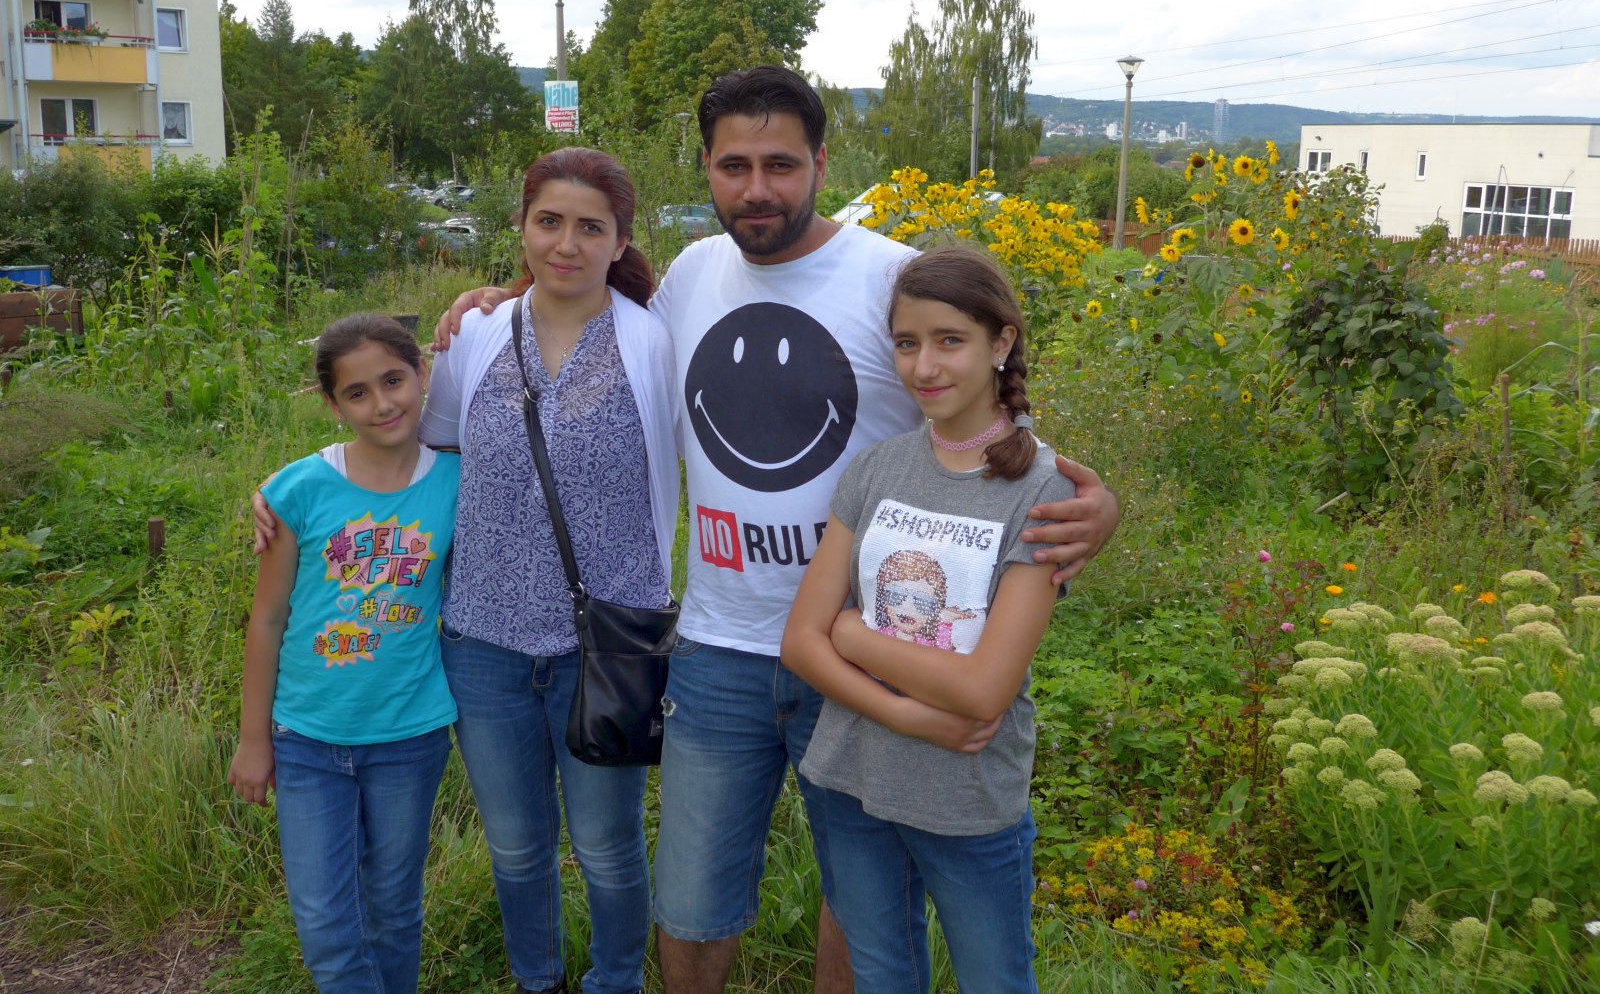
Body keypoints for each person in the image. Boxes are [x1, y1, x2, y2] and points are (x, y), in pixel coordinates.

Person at [434, 65, 1121, 994]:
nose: (757, 189)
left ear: (821, 163)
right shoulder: (688, 279)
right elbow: (582, 301)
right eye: (734, 165)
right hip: (718, 650)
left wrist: (1099, 502)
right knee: (690, 900)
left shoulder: (889, 276)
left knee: (864, 898)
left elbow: (976, 408)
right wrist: (491, 301)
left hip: (868, 648)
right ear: (708, 170)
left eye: (781, 165)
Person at [255, 148, 678, 994]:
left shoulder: (657, 338)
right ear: (520, 228)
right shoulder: (479, 334)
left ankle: (616, 980)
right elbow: (411, 451)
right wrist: (290, 486)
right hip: (481, 646)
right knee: (518, 847)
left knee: (606, 847)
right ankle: (538, 980)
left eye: (590, 226)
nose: (566, 243)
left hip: (609, 648)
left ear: (620, 238)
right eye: (548, 221)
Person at [781, 246, 1071, 993]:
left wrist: (852, 635)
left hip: (967, 796)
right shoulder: (877, 469)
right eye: (908, 344)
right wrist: (912, 716)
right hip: (852, 778)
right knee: (882, 974)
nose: (924, 367)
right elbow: (799, 643)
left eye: (950, 341)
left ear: (1000, 343)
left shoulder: (1043, 490)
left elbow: (983, 693)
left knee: (995, 982)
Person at [228, 313, 460, 994]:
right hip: (307, 738)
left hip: (410, 735)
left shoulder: (456, 481)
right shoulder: (297, 491)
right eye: (357, 393)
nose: (382, 403)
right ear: (332, 406)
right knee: (327, 927)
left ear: (422, 373)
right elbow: (268, 619)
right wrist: (253, 739)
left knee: (394, 910)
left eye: (393, 380)